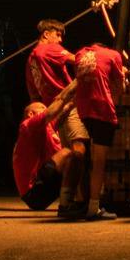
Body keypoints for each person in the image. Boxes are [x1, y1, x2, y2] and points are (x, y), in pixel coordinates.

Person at [27, 18, 91, 219]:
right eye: (58, 34)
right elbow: (80, 61)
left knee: (71, 156)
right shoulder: (49, 50)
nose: (61, 40)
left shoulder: (30, 60)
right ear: (46, 34)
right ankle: (71, 202)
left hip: (54, 114)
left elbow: (34, 98)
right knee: (79, 151)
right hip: (69, 106)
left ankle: (75, 200)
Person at [73, 32, 128, 222]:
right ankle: (94, 207)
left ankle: (86, 201)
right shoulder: (113, 55)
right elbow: (120, 87)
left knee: (91, 157)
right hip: (102, 108)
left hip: (84, 110)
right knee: (99, 161)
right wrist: (123, 76)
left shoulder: (81, 54)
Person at [12, 76, 81, 211]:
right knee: (69, 153)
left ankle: (77, 201)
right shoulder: (28, 126)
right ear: (31, 114)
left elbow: (64, 109)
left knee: (79, 156)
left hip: (39, 190)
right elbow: (53, 110)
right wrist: (76, 81)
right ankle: (66, 204)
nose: (46, 109)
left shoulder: (45, 128)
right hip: (33, 193)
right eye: (42, 108)